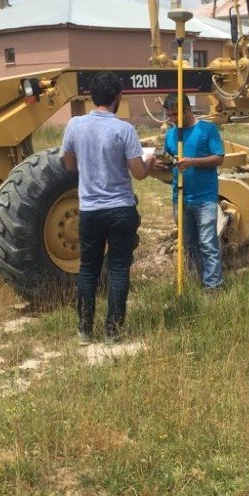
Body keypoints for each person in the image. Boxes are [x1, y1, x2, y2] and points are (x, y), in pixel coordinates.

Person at [60, 71, 155, 345]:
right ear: (118, 97)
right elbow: (138, 173)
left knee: (88, 269)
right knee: (118, 269)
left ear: (91, 96)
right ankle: (113, 330)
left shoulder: (74, 125)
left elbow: (68, 164)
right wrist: (150, 163)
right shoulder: (124, 130)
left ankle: (84, 329)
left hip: (89, 210)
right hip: (120, 209)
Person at [162, 93, 225, 291]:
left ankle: (213, 286)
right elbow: (169, 160)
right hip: (180, 197)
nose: (171, 120)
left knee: (208, 244)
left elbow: (218, 158)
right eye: (169, 116)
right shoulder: (171, 134)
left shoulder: (207, 130)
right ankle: (197, 281)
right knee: (189, 244)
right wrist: (160, 163)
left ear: (187, 111)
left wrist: (192, 162)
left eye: (174, 115)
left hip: (204, 197)